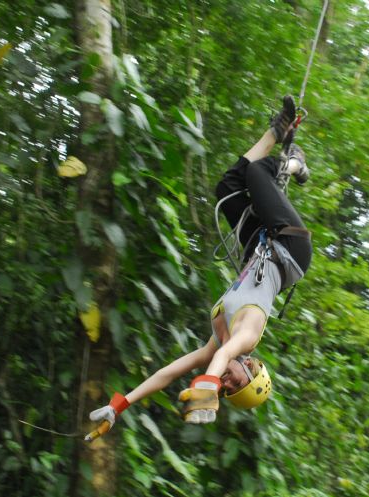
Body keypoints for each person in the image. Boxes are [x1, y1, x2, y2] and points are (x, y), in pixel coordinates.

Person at [88, 95, 312, 435]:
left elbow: (169, 372)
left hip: (261, 246)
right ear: (251, 368)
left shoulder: (217, 345)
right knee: (257, 171)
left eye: (226, 389)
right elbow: (223, 360)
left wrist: (121, 404)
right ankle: (296, 162)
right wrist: (207, 388)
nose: (227, 383)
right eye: (235, 383)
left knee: (229, 187)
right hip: (290, 247)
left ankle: (277, 130)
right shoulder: (247, 336)